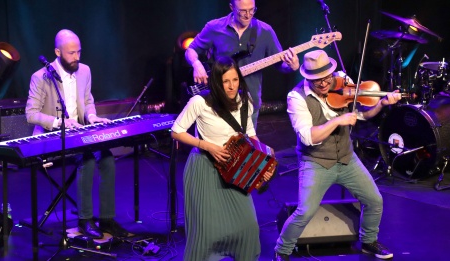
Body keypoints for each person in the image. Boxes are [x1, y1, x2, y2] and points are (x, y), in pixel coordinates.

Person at [274, 50, 401, 260]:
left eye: (327, 77)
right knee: (305, 211)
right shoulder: (296, 97)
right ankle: (282, 251)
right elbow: (308, 137)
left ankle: (368, 241)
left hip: (346, 158)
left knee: (375, 200)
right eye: (317, 80)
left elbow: (362, 114)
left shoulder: (343, 82)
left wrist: (381, 104)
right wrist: (336, 121)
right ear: (307, 77)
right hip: (315, 161)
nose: (324, 83)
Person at [26, 29, 129, 239]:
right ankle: (85, 219)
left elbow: (88, 100)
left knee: (108, 158)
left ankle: (107, 219)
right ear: (57, 52)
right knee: (88, 160)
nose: (77, 57)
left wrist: (92, 117)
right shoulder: (41, 77)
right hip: (53, 136)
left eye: (79, 52)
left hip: (81, 133)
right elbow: (31, 114)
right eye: (71, 53)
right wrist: (59, 122)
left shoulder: (85, 71)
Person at [171, 56, 274, 260]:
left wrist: (265, 156)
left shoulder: (246, 101)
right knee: (207, 233)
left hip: (236, 169)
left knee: (249, 228)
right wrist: (207, 145)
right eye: (226, 81)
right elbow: (176, 131)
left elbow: (250, 134)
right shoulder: (200, 102)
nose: (231, 86)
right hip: (204, 169)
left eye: (235, 80)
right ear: (217, 81)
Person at [185, 0, 299, 128]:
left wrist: (291, 66)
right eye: (243, 11)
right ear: (231, 7)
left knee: (246, 146)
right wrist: (196, 64)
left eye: (252, 10)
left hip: (250, 102)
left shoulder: (265, 30)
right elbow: (191, 50)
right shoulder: (214, 27)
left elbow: (280, 64)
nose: (248, 15)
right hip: (218, 101)